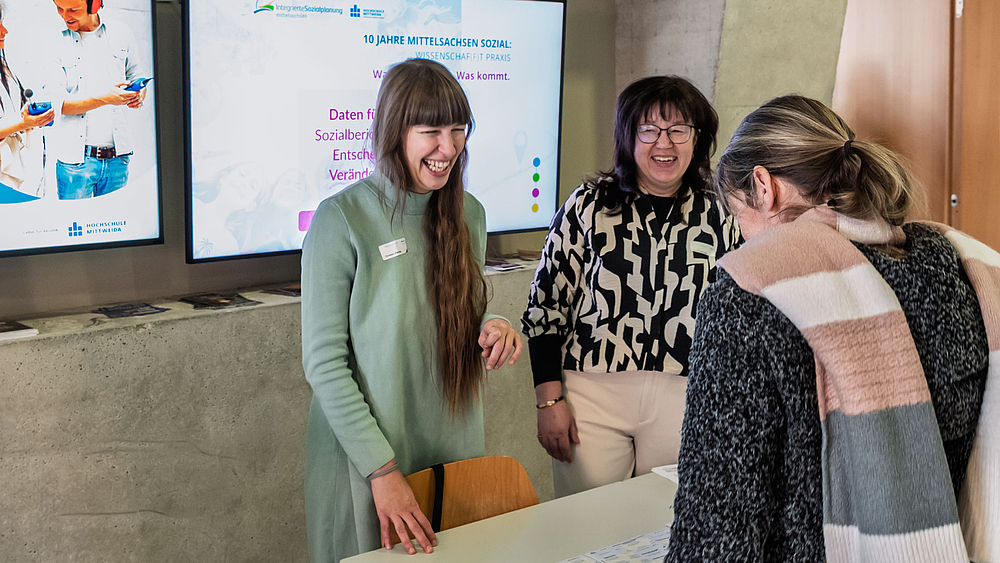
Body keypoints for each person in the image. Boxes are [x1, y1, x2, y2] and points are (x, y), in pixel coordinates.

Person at [667, 95, 998, 561]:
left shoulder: (750, 292)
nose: (743, 237)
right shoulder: (957, 265)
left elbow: (718, 525)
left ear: (764, 187)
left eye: (737, 216)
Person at [300, 58, 522, 563]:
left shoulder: (469, 213)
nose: (449, 148)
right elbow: (324, 364)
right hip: (367, 459)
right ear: (394, 130)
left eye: (458, 131)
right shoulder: (341, 220)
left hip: (451, 443)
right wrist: (381, 471)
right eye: (431, 132)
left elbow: (460, 310)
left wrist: (494, 326)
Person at [521, 76, 738, 498]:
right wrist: (548, 402)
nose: (665, 144)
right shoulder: (588, 205)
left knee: (668, 526)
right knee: (588, 528)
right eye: (649, 130)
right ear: (627, 136)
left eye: (679, 130)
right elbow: (546, 306)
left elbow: (742, 308)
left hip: (688, 395)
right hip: (591, 396)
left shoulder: (723, 210)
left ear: (698, 138)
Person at [52, 0, 147, 199]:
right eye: (59, 8)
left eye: (73, 10)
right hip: (75, 164)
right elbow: (59, 105)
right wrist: (107, 99)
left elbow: (136, 75)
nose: (64, 15)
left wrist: (139, 94)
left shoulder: (122, 33)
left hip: (117, 160)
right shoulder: (55, 42)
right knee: (74, 225)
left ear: (94, 5)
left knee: (117, 228)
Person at [0, 3, 54, 203]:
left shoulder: (4, 65)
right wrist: (24, 123)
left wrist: (29, 117)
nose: (5, 30)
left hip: (13, 166)